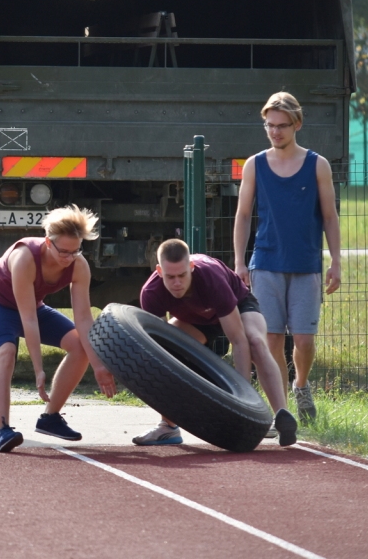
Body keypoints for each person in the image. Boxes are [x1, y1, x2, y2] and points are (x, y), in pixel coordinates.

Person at [234, 92, 341, 424]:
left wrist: (336, 260)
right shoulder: (254, 164)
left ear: (297, 124)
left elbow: (329, 216)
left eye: (282, 126)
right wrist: (240, 262)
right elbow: (243, 215)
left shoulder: (317, 164)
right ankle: (281, 411)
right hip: (265, 263)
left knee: (305, 339)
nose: (275, 132)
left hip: (306, 264)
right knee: (272, 339)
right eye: (269, 125)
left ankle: (301, 385)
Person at [0, 205, 117, 453]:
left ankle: (50, 418)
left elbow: (84, 317)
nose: (68, 258)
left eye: (75, 251)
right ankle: (2, 429)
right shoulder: (25, 258)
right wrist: (38, 369)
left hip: (32, 306)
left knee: (79, 345)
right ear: (48, 242)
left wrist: (99, 365)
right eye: (63, 251)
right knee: (6, 354)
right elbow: (28, 319)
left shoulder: (78, 264)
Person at [135, 239, 297, 447]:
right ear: (158, 271)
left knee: (255, 342)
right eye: (170, 277)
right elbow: (158, 349)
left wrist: (241, 405)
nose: (177, 283)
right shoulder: (151, 293)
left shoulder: (211, 278)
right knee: (168, 351)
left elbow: (238, 341)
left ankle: (282, 418)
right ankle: (168, 427)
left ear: (191, 267)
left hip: (237, 305)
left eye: (182, 275)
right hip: (194, 320)